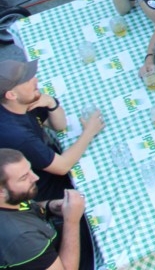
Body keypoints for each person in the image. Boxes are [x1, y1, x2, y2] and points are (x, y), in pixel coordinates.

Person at [0, 60, 103, 202]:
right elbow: (63, 166)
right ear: (11, 95)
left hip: (49, 159)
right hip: (45, 188)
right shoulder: (19, 136)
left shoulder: (18, 103)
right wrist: (89, 132)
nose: (36, 80)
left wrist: (51, 103)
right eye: (28, 80)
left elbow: (59, 125)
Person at [0, 148, 87, 270]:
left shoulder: (10, 198)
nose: (35, 177)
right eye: (24, 177)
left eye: (30, 169)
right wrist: (72, 221)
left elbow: (23, 208)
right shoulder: (21, 238)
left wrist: (50, 206)